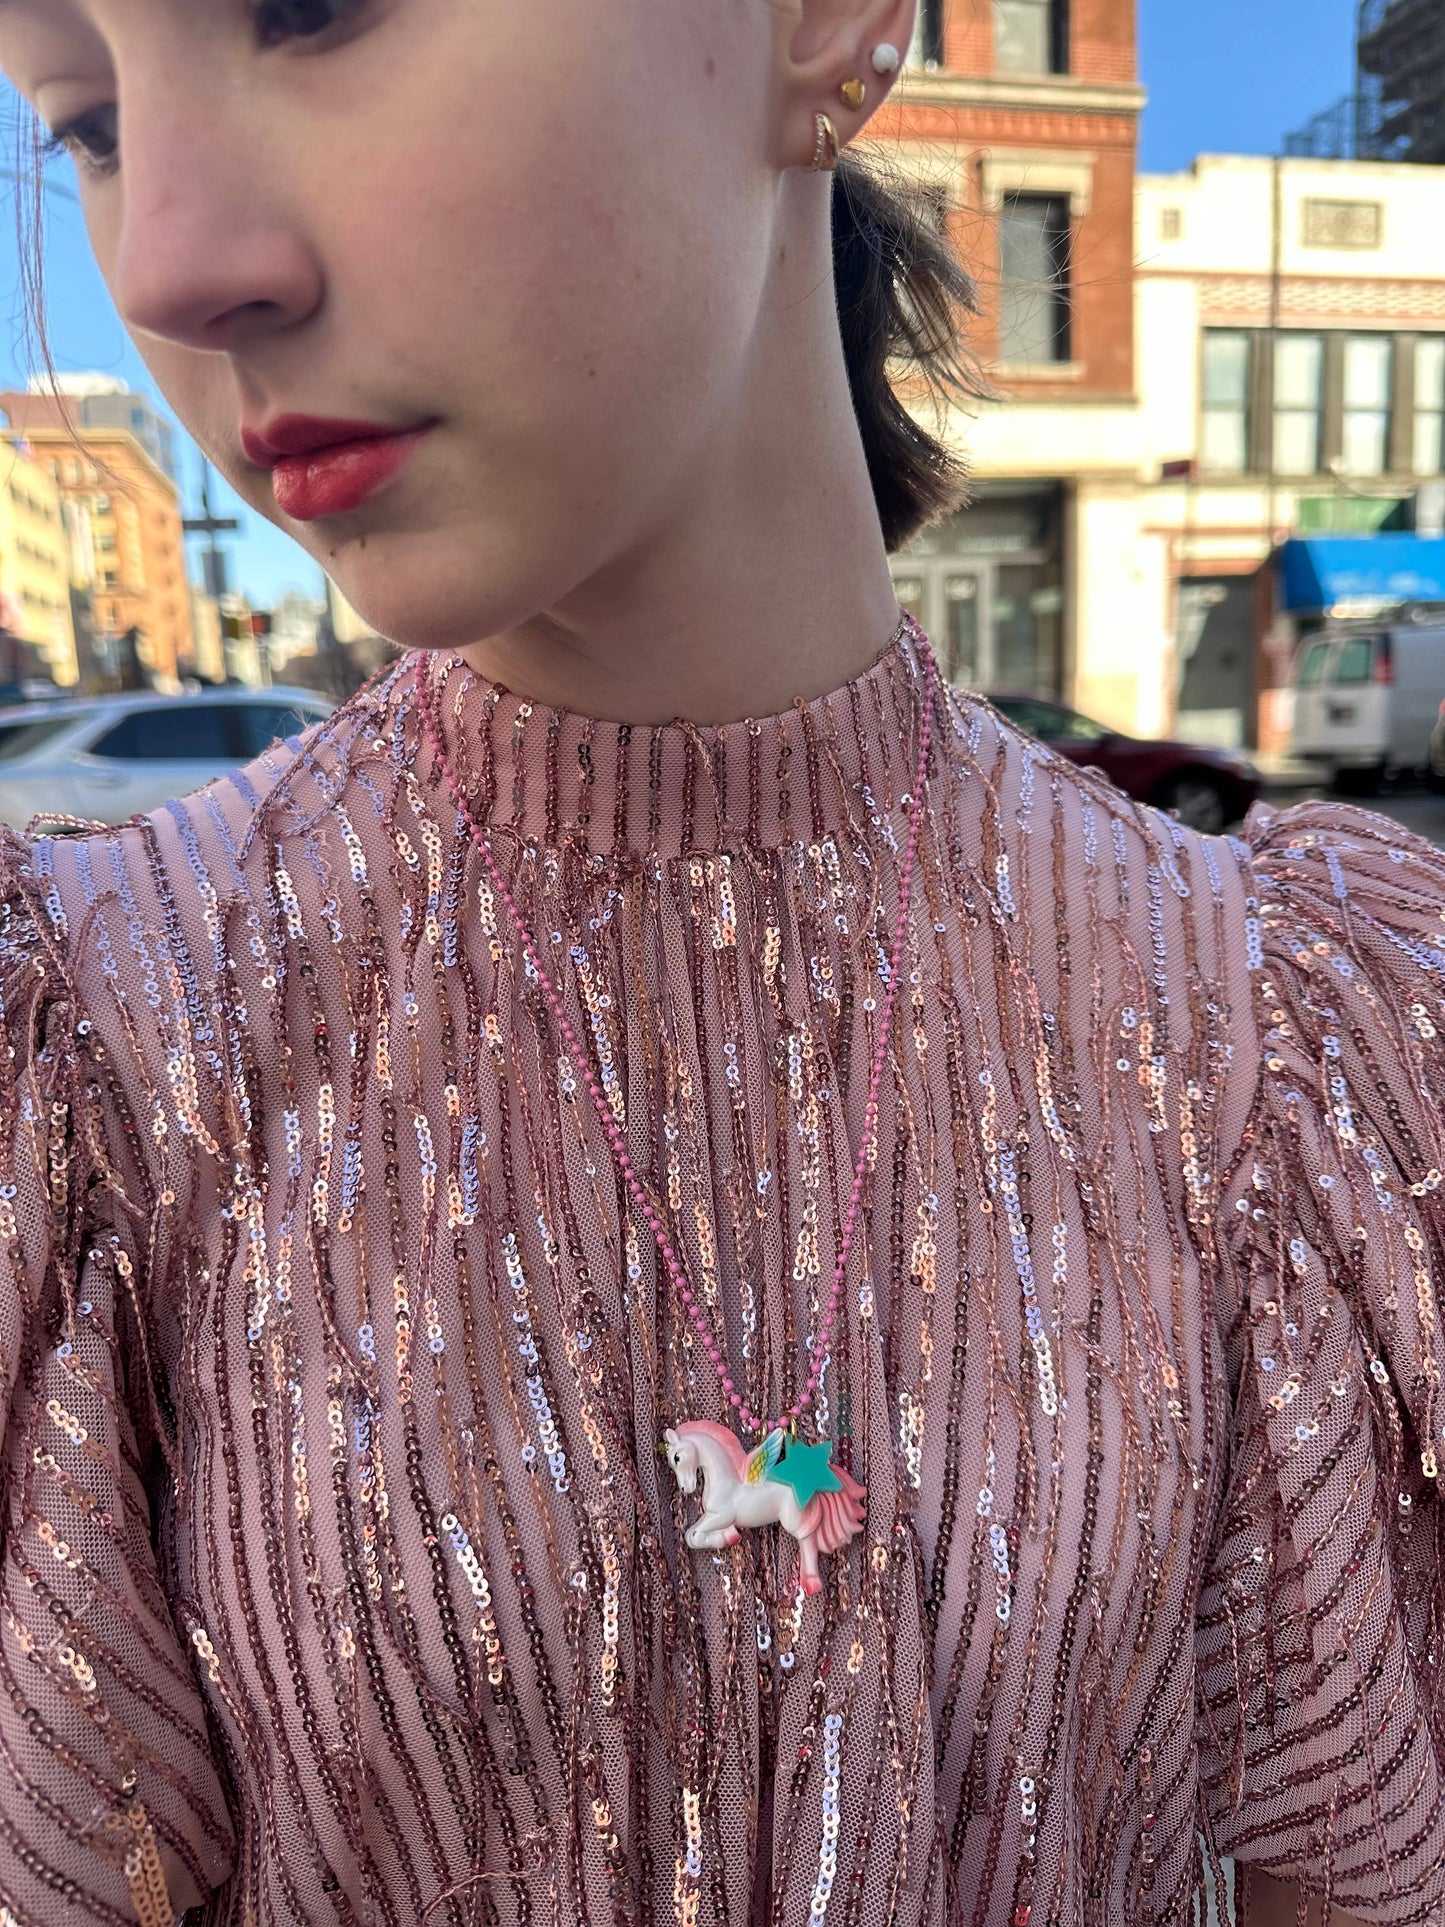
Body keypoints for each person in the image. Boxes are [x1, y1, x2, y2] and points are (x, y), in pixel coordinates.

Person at [0, 3, 1439, 1923]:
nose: (167, 267)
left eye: (315, 6)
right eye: (87, 123)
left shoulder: (1273, 1037)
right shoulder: (105, 1060)